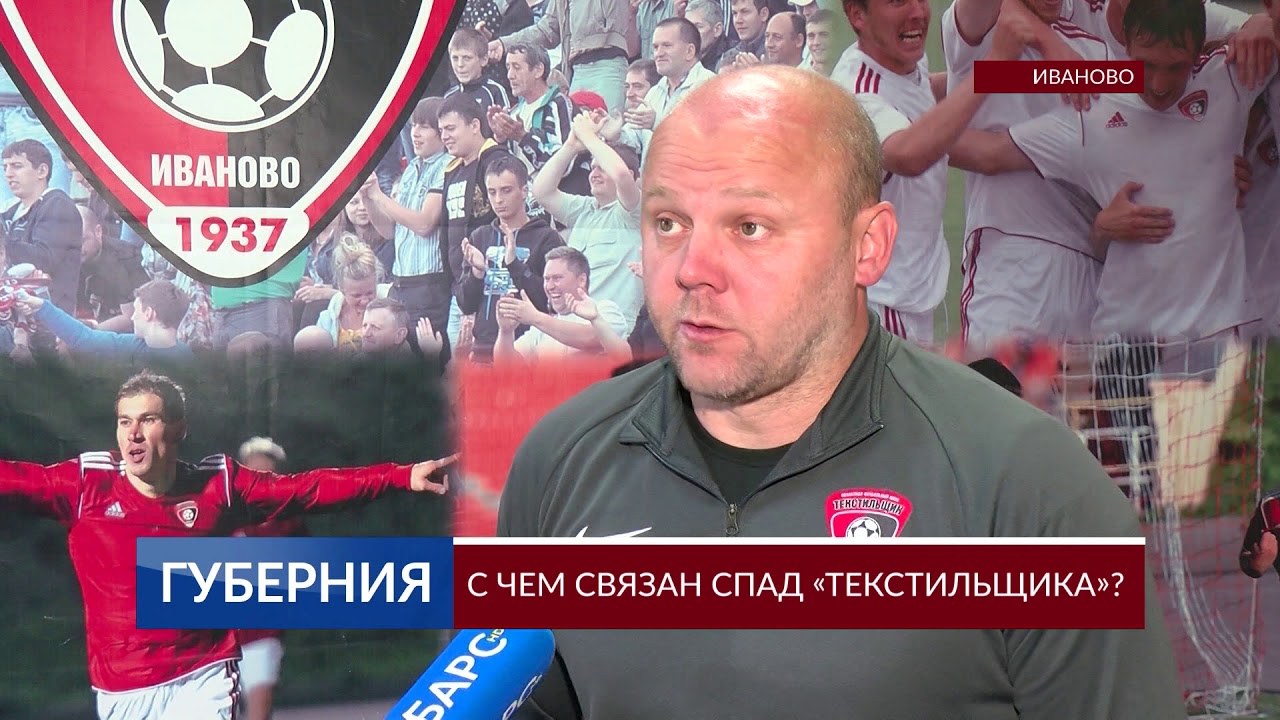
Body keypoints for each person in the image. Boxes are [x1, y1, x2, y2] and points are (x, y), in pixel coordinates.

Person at [497, 65, 1183, 719]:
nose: (693, 269)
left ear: (868, 247)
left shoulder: (1028, 486)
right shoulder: (559, 461)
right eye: (669, 223)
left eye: (750, 227)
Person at [0, 371, 457, 720]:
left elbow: (306, 489)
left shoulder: (218, 485)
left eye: (147, 419)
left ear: (177, 429)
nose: (132, 434)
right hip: (121, 690)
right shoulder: (85, 486)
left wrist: (401, 476)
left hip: (202, 675)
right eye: (124, 422)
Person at [231, 437, 305, 720]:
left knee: (259, 705)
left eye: (266, 471)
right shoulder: (222, 512)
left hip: (262, 630)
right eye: (254, 469)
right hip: (219, 635)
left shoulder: (288, 522)